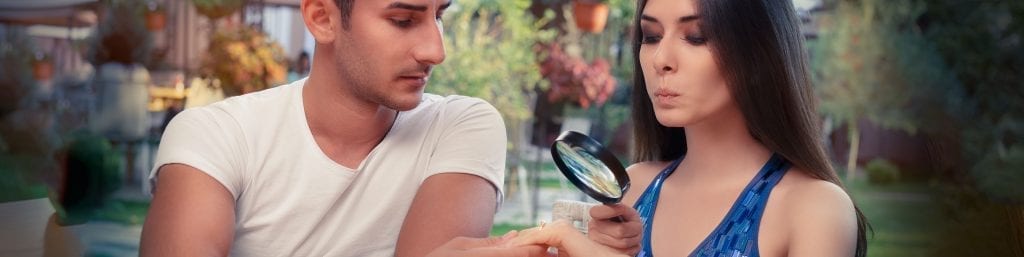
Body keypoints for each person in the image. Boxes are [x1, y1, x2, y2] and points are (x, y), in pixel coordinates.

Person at [138, 0, 568, 256]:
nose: (436, 50)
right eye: (403, 19)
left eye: (439, 15)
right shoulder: (216, 135)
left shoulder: (460, 126)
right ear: (323, 17)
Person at [584, 0, 868, 256]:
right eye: (651, 37)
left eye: (695, 37)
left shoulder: (813, 209)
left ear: (758, 55)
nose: (660, 59)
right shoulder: (634, 189)